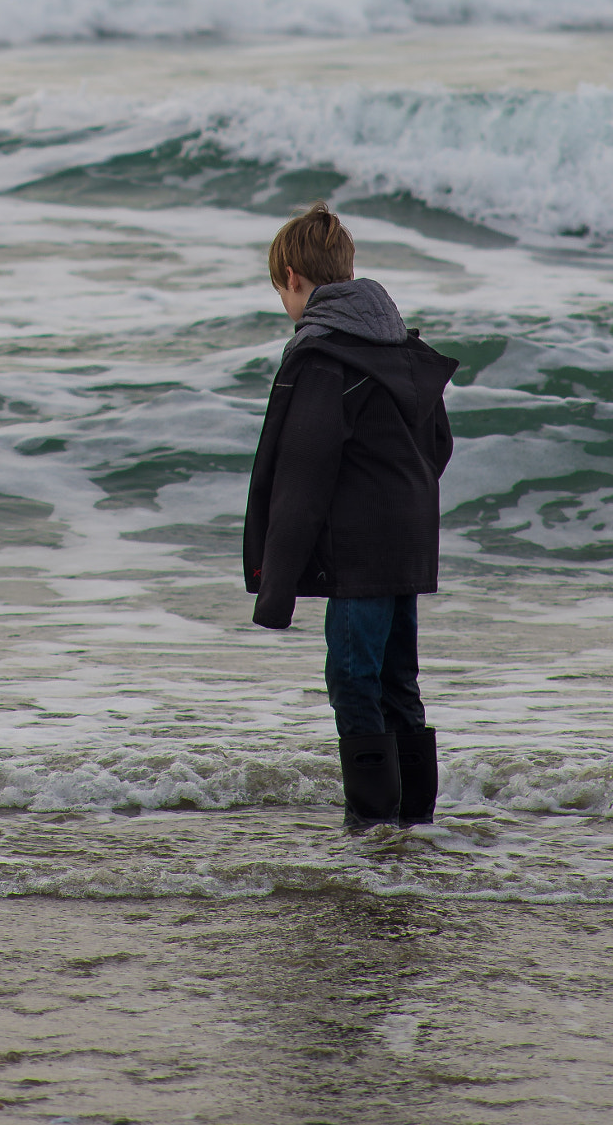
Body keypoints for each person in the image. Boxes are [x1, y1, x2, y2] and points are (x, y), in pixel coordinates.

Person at [243, 201, 457, 828]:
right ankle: (413, 825)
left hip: (361, 553)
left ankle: (371, 828)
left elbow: (303, 478)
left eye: (279, 289)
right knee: (397, 679)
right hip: (408, 544)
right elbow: (437, 447)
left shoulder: (323, 357)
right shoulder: (399, 345)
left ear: (291, 277)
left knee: (352, 675)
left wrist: (274, 588)